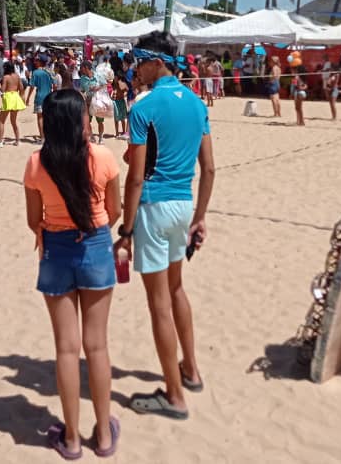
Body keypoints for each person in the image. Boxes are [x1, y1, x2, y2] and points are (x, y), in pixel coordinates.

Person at [115, 32, 215, 420]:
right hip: (184, 204)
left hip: (154, 206)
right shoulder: (195, 102)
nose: (135, 68)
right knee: (176, 290)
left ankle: (174, 395)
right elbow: (208, 168)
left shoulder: (145, 106)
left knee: (158, 301)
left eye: (139, 61)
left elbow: (135, 178)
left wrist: (125, 230)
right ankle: (190, 369)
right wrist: (201, 216)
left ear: (156, 62)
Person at [24, 90, 122, 458]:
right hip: (95, 245)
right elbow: (115, 210)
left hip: (55, 249)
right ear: (81, 119)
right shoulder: (103, 157)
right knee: (97, 346)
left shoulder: (36, 162)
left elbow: (34, 220)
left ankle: (72, 438)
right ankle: (105, 436)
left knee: (66, 348)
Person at [0, 63, 25, 147]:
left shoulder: (6, 77)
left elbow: (3, 90)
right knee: (13, 121)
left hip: (8, 98)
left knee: (1, 121)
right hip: (15, 97)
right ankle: (17, 140)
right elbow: (21, 88)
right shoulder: (17, 76)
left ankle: (0, 142)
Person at [28, 57, 55, 142]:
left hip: (39, 97)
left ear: (40, 62)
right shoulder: (49, 71)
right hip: (49, 97)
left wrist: (28, 97)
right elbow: (54, 84)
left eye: (36, 60)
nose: (35, 62)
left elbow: (32, 86)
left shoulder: (35, 73)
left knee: (40, 118)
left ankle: (42, 138)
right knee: (48, 118)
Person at [112, 74, 129, 140]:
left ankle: (124, 132)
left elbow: (126, 90)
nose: (114, 78)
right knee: (116, 117)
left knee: (122, 118)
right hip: (115, 102)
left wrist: (124, 94)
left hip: (121, 101)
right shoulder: (113, 84)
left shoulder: (121, 84)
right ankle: (116, 133)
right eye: (114, 77)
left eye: (115, 77)